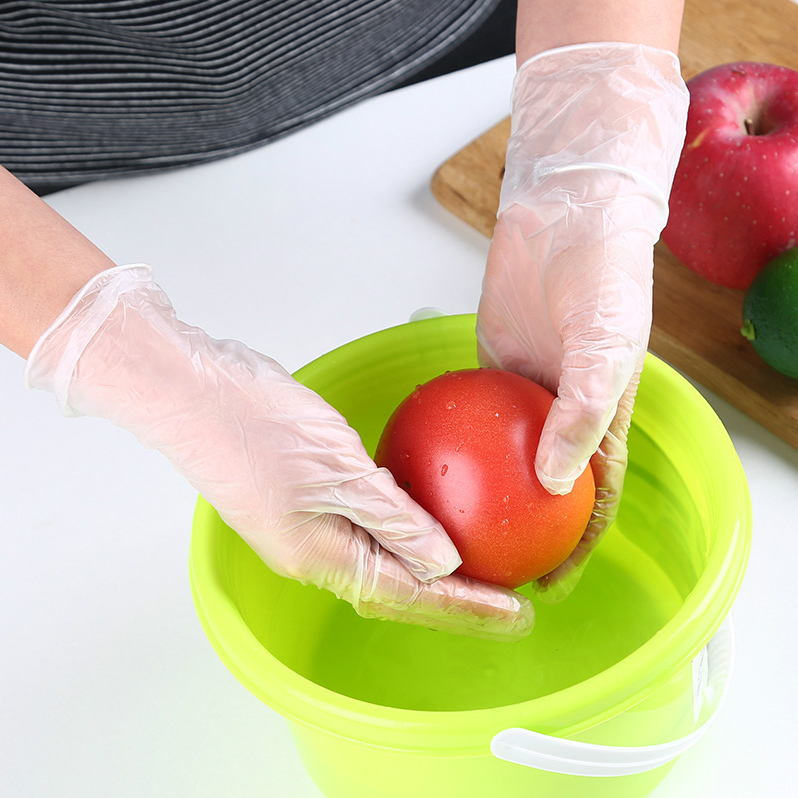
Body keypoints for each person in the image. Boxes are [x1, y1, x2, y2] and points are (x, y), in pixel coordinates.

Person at [0, 0, 688, 641]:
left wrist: (590, 128)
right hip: (72, 173)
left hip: (440, 60)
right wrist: (112, 347)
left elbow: (593, 101)